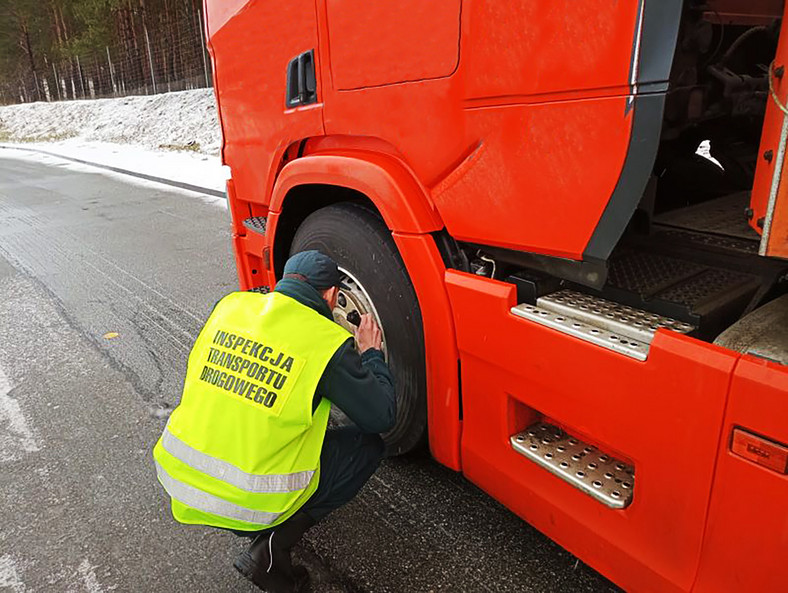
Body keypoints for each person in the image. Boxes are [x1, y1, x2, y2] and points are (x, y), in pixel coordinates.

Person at [153, 250, 396, 593]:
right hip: (249, 500)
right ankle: (271, 546)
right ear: (331, 296)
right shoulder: (323, 341)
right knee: (367, 447)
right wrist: (370, 353)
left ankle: (255, 523)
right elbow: (381, 416)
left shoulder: (230, 307)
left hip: (181, 481)